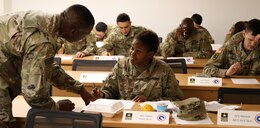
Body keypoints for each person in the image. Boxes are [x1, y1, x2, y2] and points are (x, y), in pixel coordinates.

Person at [0, 4, 96, 126]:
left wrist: (80, 90)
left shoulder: (46, 22)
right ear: (73, 31)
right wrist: (56, 108)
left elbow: (48, 69)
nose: (84, 38)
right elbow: (33, 94)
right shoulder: (43, 41)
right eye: (84, 35)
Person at [92, 30, 184, 102]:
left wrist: (150, 103)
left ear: (150, 54)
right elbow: (110, 91)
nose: (132, 53)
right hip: (123, 115)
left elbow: (175, 99)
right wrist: (101, 94)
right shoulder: (121, 65)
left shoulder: (164, 70)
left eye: (138, 51)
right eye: (132, 48)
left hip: (150, 117)